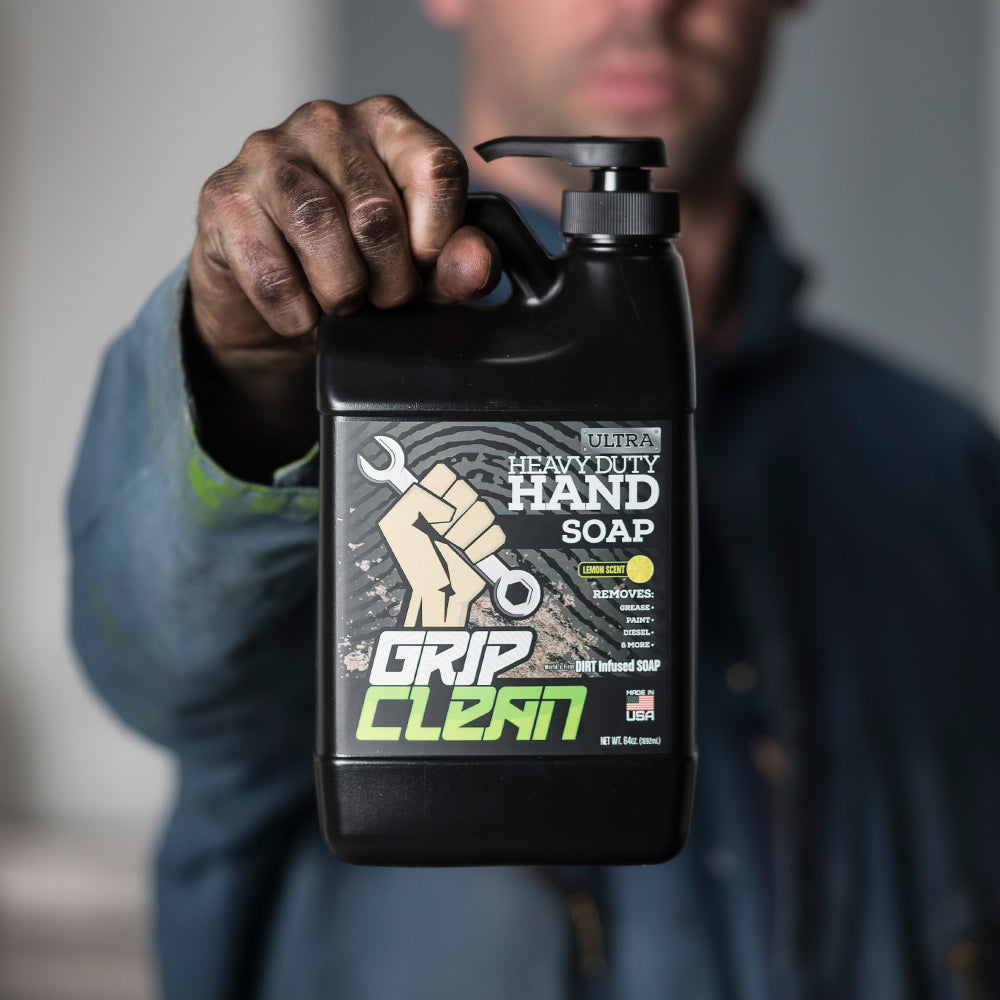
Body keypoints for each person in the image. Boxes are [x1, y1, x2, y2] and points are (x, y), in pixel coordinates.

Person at [68, 0, 1000, 997]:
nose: (646, 8)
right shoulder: (335, 386)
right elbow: (157, 650)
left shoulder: (941, 465)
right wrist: (248, 386)